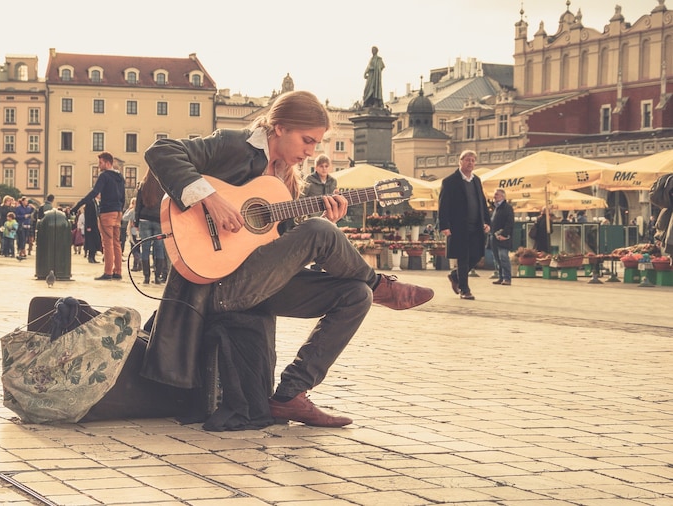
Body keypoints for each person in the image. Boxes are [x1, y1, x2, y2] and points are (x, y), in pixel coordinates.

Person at [143, 90, 434, 429]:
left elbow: (279, 244)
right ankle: (384, 286)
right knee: (318, 232)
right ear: (279, 128)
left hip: (257, 284)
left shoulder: (286, 180)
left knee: (356, 295)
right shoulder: (234, 145)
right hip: (217, 285)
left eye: (316, 144)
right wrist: (211, 199)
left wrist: (328, 225)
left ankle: (290, 395)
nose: (311, 151)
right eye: (307, 140)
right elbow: (160, 151)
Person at [438, 149, 490, 301]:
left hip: (476, 225)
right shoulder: (450, 181)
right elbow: (443, 205)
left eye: (473, 160)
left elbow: (482, 203)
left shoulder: (476, 180)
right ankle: (464, 289)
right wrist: (444, 226)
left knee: (477, 254)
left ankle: (455, 276)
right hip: (458, 226)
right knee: (463, 257)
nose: (470, 163)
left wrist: (487, 221)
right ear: (460, 162)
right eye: (467, 160)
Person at [72, 152, 126, 280]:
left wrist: (78, 205)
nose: (98, 166)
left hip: (107, 212)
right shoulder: (120, 177)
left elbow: (95, 192)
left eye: (100, 163)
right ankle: (117, 271)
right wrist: (120, 209)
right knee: (117, 243)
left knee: (107, 243)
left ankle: (108, 272)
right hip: (118, 212)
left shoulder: (104, 176)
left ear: (108, 163)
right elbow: (123, 197)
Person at [301, 154, 337, 270]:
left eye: (326, 166)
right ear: (316, 167)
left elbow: (333, 197)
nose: (324, 169)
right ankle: (314, 268)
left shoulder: (332, 181)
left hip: (328, 216)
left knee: (327, 243)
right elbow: (302, 197)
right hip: (312, 217)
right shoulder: (309, 180)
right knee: (315, 244)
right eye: (321, 166)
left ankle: (322, 267)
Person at [134, 172, 167, 284]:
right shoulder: (163, 184)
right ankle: (157, 277)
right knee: (159, 248)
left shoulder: (143, 185)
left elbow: (138, 205)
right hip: (159, 220)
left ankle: (146, 277)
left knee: (145, 249)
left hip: (144, 219)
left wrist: (136, 221)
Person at [489, 189, 514, 286]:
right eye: (494, 194)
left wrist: (504, 234)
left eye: (496, 195)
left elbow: (509, 223)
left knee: (503, 257)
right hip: (494, 237)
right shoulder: (496, 208)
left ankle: (507, 278)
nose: (494, 196)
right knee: (497, 259)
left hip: (503, 238)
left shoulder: (507, 208)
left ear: (503, 196)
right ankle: (501, 277)